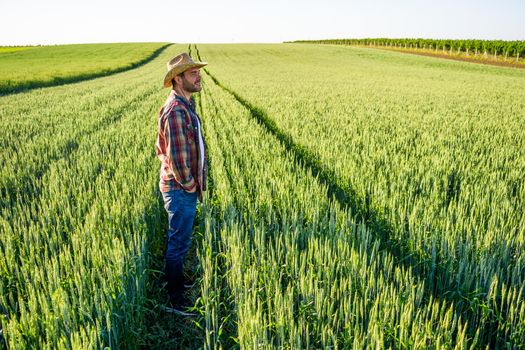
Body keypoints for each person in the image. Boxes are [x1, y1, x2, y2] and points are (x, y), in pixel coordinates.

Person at [155, 52, 208, 315]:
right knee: (177, 243)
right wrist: (189, 185)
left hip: (183, 188)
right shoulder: (176, 111)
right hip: (179, 189)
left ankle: (178, 283)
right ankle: (175, 299)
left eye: (198, 72)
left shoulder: (185, 104)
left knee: (182, 240)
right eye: (193, 73)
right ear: (178, 79)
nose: (199, 77)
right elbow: (177, 159)